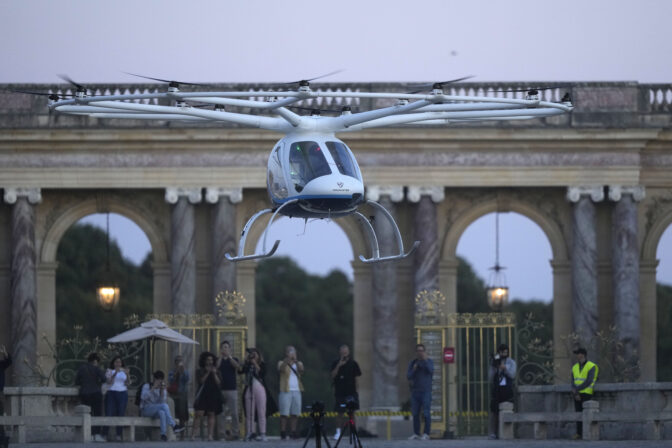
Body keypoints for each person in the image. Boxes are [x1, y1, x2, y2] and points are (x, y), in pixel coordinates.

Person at [139, 370, 185, 441]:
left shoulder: (162, 387)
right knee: (164, 406)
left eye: (161, 379)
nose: (159, 381)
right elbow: (143, 397)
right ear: (154, 379)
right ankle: (173, 425)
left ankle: (163, 434)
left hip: (155, 410)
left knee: (162, 412)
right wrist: (153, 388)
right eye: (158, 379)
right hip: (146, 410)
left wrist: (162, 391)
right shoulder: (147, 386)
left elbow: (161, 402)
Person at [330, 344, 361, 441]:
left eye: (346, 352)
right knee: (339, 413)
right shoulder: (335, 362)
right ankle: (338, 432)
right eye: (343, 352)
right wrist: (339, 365)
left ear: (349, 352)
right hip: (340, 392)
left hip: (351, 392)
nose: (344, 353)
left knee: (351, 413)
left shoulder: (353, 363)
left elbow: (357, 378)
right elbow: (332, 375)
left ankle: (353, 432)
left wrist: (356, 391)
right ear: (340, 352)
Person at [75, 352, 107, 442]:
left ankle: (88, 434)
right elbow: (104, 379)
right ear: (95, 361)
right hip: (96, 393)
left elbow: (77, 381)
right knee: (97, 413)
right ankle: (96, 434)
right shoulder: (97, 369)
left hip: (84, 393)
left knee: (87, 414)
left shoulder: (81, 368)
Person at [240, 347, 271, 442]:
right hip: (249, 388)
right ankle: (250, 432)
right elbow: (240, 371)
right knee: (249, 413)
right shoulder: (248, 364)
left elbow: (262, 374)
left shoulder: (262, 364)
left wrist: (255, 363)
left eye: (255, 353)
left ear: (258, 355)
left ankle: (262, 433)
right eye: (251, 354)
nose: (253, 355)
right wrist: (246, 361)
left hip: (260, 388)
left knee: (261, 412)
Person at [191, 351, 222, 441]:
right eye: (208, 360)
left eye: (211, 360)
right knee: (198, 414)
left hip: (212, 394)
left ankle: (210, 435)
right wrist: (208, 372)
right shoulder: (199, 370)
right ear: (204, 361)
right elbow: (201, 381)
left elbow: (219, 383)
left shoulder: (217, 371)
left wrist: (214, 373)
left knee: (211, 414)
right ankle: (193, 435)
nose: (210, 362)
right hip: (202, 394)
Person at [488, 343, 516, 440]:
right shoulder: (495, 361)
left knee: (507, 409)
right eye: (502, 352)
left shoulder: (511, 362)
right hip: (497, 389)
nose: (504, 354)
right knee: (494, 411)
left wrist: (505, 369)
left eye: (506, 352)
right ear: (499, 352)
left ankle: (506, 432)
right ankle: (493, 433)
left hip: (507, 389)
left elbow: (512, 375)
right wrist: (495, 368)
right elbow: (490, 378)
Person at [406, 343, 434, 440]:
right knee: (415, 413)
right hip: (415, 392)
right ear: (416, 352)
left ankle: (426, 433)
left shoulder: (429, 361)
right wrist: (414, 369)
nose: (420, 353)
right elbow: (408, 376)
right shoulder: (413, 363)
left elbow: (431, 371)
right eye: (418, 351)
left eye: (422, 351)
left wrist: (425, 361)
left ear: (424, 352)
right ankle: (416, 433)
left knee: (426, 413)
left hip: (426, 391)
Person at [571, 347, 599, 439]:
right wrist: (575, 393)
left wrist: (577, 390)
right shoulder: (574, 367)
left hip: (587, 393)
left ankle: (587, 433)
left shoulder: (591, 366)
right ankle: (579, 434)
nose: (576, 356)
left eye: (578, 353)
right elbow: (572, 382)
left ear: (582, 355)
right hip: (577, 394)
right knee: (578, 415)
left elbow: (589, 381)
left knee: (586, 415)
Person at [277, 345, 304, 440]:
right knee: (284, 413)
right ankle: (283, 431)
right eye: (290, 352)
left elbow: (301, 370)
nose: (292, 354)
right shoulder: (281, 362)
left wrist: (295, 361)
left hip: (296, 390)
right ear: (286, 353)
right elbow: (281, 369)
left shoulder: (298, 363)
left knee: (295, 413)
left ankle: (293, 431)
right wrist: (287, 361)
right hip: (285, 390)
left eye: (293, 352)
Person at [216, 340, 241, 441]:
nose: (225, 349)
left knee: (234, 413)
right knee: (221, 413)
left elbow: (237, 366)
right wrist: (222, 357)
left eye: (227, 347)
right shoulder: (219, 360)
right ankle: (222, 433)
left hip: (232, 389)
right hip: (221, 389)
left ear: (230, 349)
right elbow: (216, 367)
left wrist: (229, 356)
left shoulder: (233, 359)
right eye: (223, 347)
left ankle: (235, 433)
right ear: (221, 349)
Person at [103, 356, 130, 441]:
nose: (118, 364)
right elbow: (108, 381)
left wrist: (127, 374)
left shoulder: (124, 371)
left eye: (119, 362)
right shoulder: (109, 371)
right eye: (116, 362)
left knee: (121, 412)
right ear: (113, 363)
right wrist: (115, 373)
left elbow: (128, 383)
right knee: (109, 412)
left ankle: (119, 434)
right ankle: (105, 434)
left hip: (122, 393)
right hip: (111, 392)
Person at [168, 355, 190, 437]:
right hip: (173, 395)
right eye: (177, 360)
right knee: (172, 413)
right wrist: (177, 371)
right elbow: (170, 380)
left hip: (182, 395)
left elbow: (187, 379)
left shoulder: (185, 371)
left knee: (182, 415)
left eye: (180, 360)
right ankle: (172, 433)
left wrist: (182, 371)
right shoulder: (171, 371)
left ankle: (182, 435)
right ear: (175, 362)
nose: (179, 362)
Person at [0, 345, 12, 446]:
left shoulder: (1, 364)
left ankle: (3, 439)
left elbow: (9, 361)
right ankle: (3, 439)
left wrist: (4, 352)